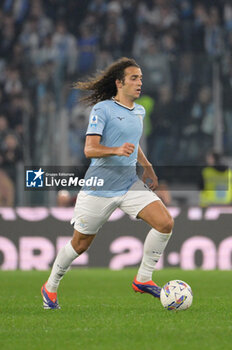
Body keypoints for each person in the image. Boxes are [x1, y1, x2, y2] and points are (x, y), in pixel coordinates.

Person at [41, 57, 174, 310]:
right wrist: (115, 150)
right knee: (80, 243)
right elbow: (90, 149)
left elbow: (132, 144)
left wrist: (146, 165)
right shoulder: (103, 109)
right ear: (119, 83)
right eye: (134, 78)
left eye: (141, 78)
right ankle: (50, 286)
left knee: (165, 222)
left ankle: (143, 279)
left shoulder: (139, 111)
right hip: (99, 187)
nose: (139, 83)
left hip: (128, 184)